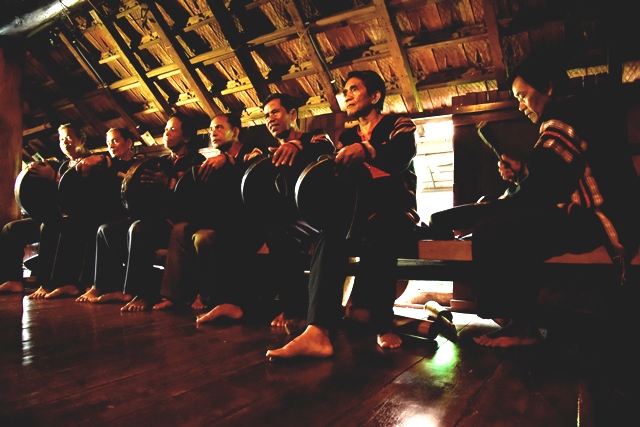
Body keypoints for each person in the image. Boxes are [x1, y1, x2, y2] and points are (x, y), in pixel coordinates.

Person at [427, 50, 640, 347]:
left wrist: (459, 216)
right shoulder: (583, 111)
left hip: (602, 220)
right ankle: (520, 322)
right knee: (506, 223)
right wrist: (524, 173)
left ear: (548, 87)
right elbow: (558, 180)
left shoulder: (562, 121)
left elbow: (536, 194)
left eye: (523, 96)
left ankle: (518, 325)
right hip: (612, 213)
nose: (520, 105)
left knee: (495, 230)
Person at [265, 70, 419, 360]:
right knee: (330, 234)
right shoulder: (347, 137)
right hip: (359, 213)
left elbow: (401, 155)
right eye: (345, 91)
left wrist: (366, 150)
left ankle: (382, 324)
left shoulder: (398, 124)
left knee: (380, 230)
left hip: (396, 211)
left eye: (354, 89)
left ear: (375, 96)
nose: (346, 95)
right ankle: (317, 331)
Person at [226, 92, 335, 328]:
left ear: (292, 114)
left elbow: (327, 148)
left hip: (313, 216)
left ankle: (295, 310)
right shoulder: (269, 153)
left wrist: (297, 145)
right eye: (266, 116)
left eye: (275, 112)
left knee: (279, 234)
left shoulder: (315, 137)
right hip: (282, 218)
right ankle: (237, 303)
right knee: (235, 231)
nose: (270, 119)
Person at [76, 112, 205, 311]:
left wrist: (169, 183)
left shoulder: (197, 161)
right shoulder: (161, 161)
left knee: (138, 229)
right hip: (157, 220)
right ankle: (106, 286)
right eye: (166, 129)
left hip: (178, 223)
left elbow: (195, 197)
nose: (167, 133)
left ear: (186, 137)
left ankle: (141, 294)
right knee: (106, 230)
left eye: (173, 129)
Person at [153, 113, 265, 317]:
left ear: (235, 131)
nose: (213, 132)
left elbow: (254, 177)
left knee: (203, 238)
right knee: (180, 229)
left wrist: (229, 159)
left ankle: (205, 295)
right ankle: (173, 295)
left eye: (219, 127)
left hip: (244, 222)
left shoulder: (251, 151)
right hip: (217, 218)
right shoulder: (213, 163)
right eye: (211, 129)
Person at [28, 127, 137, 299]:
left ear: (129, 142)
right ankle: (57, 283)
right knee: (56, 224)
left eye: (115, 141)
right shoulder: (104, 162)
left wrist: (98, 158)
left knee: (90, 224)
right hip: (98, 212)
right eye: (108, 142)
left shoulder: (135, 164)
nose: (111, 145)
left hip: (120, 215)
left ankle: (90, 284)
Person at [0, 123, 91, 294]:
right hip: (56, 216)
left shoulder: (92, 163)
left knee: (48, 226)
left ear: (81, 139)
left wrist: (54, 177)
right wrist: (34, 172)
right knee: (11, 229)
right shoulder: (62, 164)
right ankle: (13, 279)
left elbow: (84, 194)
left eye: (69, 137)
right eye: (61, 139)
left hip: (80, 219)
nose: (65, 142)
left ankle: (46, 284)